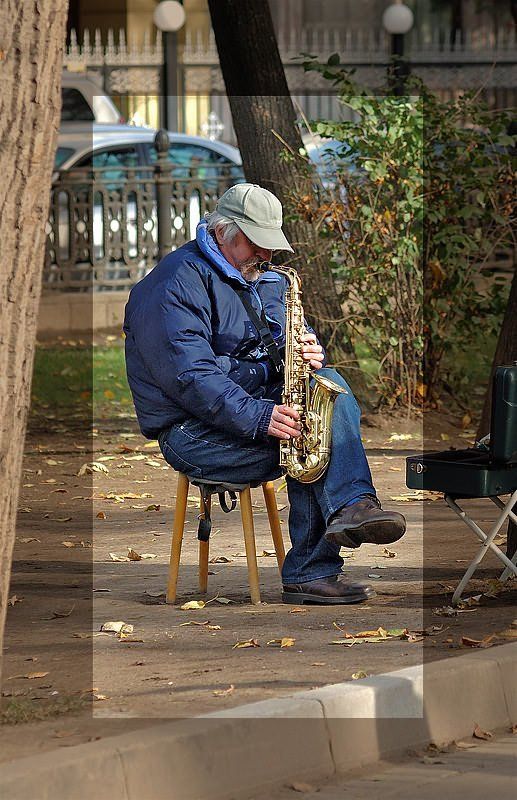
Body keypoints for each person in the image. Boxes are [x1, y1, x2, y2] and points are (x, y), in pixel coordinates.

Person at [124, 183, 406, 605]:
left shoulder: (269, 278)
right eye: (259, 244)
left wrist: (308, 349)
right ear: (225, 232)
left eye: (272, 246)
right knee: (312, 440)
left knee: (327, 386)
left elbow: (282, 344)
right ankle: (318, 560)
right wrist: (259, 415)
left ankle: (351, 509)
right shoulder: (172, 285)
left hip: (249, 408)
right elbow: (192, 378)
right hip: (193, 433)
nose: (268, 256)